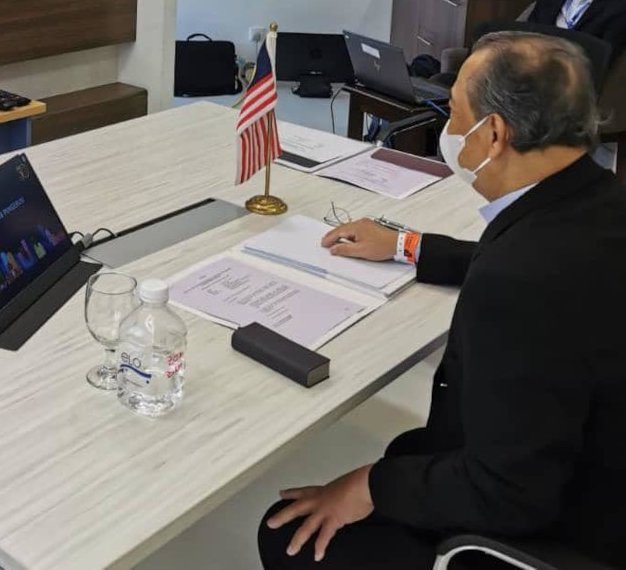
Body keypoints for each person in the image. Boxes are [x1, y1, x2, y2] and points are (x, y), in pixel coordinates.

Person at [258, 32, 626, 570]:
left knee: (285, 534)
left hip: (560, 532)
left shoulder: (520, 280)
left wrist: (369, 487)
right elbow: (520, 255)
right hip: (598, 473)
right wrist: (408, 245)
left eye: (455, 114)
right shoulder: (597, 201)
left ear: (494, 132)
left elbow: (509, 493)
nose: (451, 131)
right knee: (411, 448)